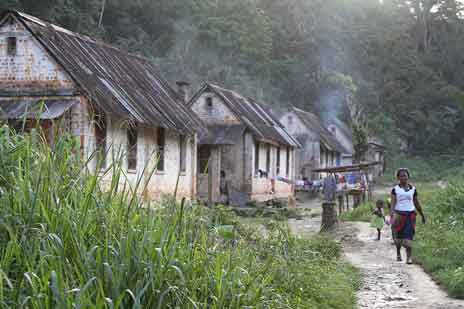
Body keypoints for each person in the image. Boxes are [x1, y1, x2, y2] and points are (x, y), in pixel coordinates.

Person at [390, 168, 426, 264]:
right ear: (398, 177)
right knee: (398, 239)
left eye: (405, 175)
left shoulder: (413, 189)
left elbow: (416, 203)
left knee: (408, 238)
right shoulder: (395, 190)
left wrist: (422, 215)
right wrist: (392, 215)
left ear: (408, 177)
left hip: (410, 216)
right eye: (401, 176)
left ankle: (409, 257)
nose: (403, 177)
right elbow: (393, 203)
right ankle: (398, 253)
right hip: (398, 215)